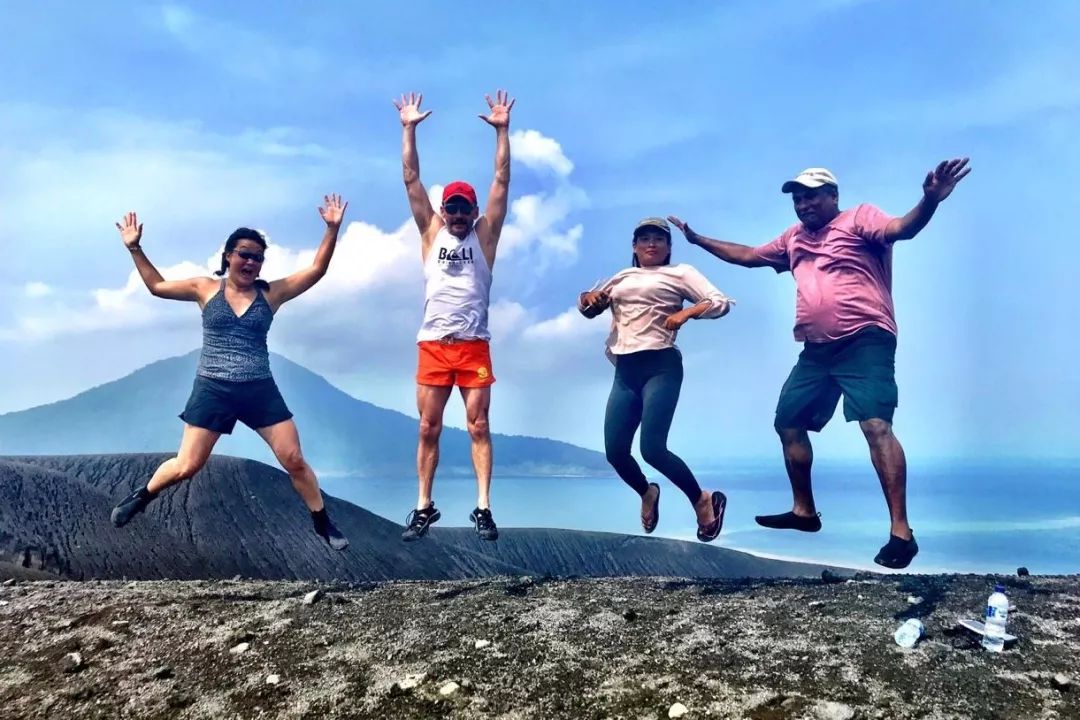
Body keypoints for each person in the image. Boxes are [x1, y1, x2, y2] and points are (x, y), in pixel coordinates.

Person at [668, 159, 971, 568]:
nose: (803, 203)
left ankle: (901, 533)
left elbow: (901, 229)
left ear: (833, 196)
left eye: (811, 195)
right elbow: (748, 256)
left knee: (876, 426)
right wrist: (697, 239)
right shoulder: (794, 239)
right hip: (816, 350)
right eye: (797, 198)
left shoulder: (858, 218)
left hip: (866, 339)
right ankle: (804, 512)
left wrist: (930, 200)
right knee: (788, 421)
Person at [108, 195, 352, 551]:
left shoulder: (272, 294)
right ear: (228, 256)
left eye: (257, 257)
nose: (250, 262)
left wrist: (331, 229)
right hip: (213, 388)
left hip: (258, 389)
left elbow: (316, 270)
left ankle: (321, 521)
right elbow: (157, 287)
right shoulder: (205, 288)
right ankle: (142, 496)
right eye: (244, 254)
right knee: (187, 464)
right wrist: (135, 249)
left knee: (294, 460)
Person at [392, 90, 513, 542]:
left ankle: (483, 507)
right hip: (433, 344)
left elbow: (501, 180)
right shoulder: (430, 232)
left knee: (478, 424)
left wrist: (502, 132)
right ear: (443, 211)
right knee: (428, 426)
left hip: (473, 344)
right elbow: (410, 179)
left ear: (475, 212)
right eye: (453, 207)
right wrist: (408, 129)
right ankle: (423, 505)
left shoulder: (485, 238)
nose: (459, 214)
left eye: (466, 207)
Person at [578, 217, 732, 542]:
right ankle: (647, 491)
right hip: (625, 371)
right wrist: (588, 298)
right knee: (616, 452)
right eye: (644, 238)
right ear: (634, 246)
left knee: (652, 448)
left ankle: (702, 499)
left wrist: (686, 313)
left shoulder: (680, 273)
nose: (652, 244)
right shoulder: (622, 277)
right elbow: (591, 305)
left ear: (669, 247)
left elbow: (719, 302)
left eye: (659, 239)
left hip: (661, 365)